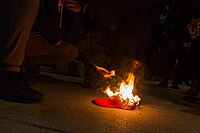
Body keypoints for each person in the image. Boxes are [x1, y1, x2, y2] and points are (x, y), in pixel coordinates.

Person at [0, 0, 82, 103]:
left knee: (69, 52)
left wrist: (77, 14)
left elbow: (68, 37)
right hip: (6, 29)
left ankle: (18, 63)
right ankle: (8, 73)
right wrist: (53, 35)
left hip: (25, 37)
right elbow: (49, 32)